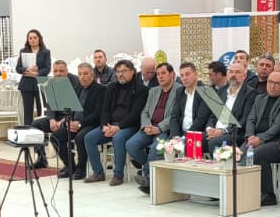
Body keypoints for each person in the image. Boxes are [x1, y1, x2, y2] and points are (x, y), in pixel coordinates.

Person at [82, 59, 142, 185]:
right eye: (118, 72)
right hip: (110, 125)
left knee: (118, 138)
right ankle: (98, 173)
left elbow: (135, 114)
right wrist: (104, 125)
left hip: (129, 126)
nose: (120, 74)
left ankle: (118, 175)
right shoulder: (111, 87)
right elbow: (105, 110)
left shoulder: (141, 89)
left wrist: (118, 127)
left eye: (123, 71)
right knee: (89, 138)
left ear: (132, 72)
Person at [244, 69, 280, 205]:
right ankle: (245, 191)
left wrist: (261, 139)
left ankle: (268, 195)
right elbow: (251, 119)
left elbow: (278, 125)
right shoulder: (260, 98)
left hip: (275, 140)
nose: (272, 86)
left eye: (277, 83)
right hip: (255, 138)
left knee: (258, 154)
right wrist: (250, 136)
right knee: (239, 152)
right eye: (270, 82)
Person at [128, 61, 176, 192]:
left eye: (163, 73)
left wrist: (159, 128)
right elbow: (145, 111)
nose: (160, 76)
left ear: (171, 74)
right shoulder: (153, 91)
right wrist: (146, 125)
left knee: (155, 148)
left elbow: (175, 115)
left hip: (164, 129)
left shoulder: (179, 91)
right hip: (149, 127)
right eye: (158, 74)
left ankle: (147, 177)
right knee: (131, 145)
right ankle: (149, 168)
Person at [61, 62, 107, 179]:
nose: (82, 77)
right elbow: (69, 109)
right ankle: (70, 167)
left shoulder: (101, 90)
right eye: (80, 74)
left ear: (92, 75)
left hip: (91, 124)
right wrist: (68, 121)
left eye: (85, 74)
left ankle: (81, 170)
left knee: (80, 137)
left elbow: (98, 113)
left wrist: (80, 124)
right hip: (74, 124)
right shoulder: (77, 89)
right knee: (56, 137)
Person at [163, 61, 215, 147]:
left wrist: (184, 138)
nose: (184, 78)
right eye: (182, 75)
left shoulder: (206, 91)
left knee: (182, 146)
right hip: (180, 133)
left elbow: (200, 119)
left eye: (187, 74)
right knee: (162, 148)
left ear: (196, 74)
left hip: (197, 133)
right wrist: (175, 136)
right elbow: (174, 117)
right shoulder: (180, 92)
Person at [14, 30, 50, 125]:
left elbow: (47, 68)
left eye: (35, 38)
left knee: (42, 110)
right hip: (26, 84)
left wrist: (36, 73)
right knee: (28, 112)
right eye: (30, 38)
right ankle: (28, 131)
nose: (32, 40)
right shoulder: (23, 51)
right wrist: (27, 69)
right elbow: (18, 68)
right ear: (28, 40)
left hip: (41, 83)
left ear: (39, 39)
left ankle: (42, 130)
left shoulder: (46, 52)